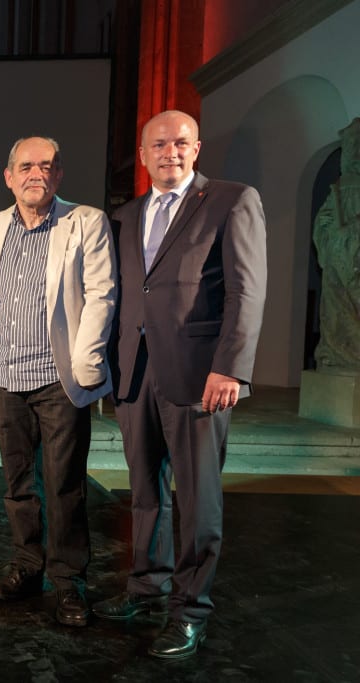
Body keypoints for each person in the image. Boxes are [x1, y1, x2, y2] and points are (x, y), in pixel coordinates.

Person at [93, 110, 266, 659]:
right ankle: (147, 586)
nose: (170, 151)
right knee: (144, 493)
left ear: (197, 148)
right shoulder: (123, 216)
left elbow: (247, 290)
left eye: (181, 142)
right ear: (142, 155)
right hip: (134, 373)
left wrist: (231, 367)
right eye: (159, 144)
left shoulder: (232, 200)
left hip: (198, 376)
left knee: (198, 500)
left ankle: (190, 611)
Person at [0, 137, 116, 627]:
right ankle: (26, 567)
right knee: (19, 485)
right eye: (26, 166)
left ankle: (68, 583)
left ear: (59, 175)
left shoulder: (86, 221)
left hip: (59, 378)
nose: (35, 174)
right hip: (8, 375)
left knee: (64, 486)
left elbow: (102, 294)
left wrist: (87, 364)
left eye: (46, 166)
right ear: (9, 176)